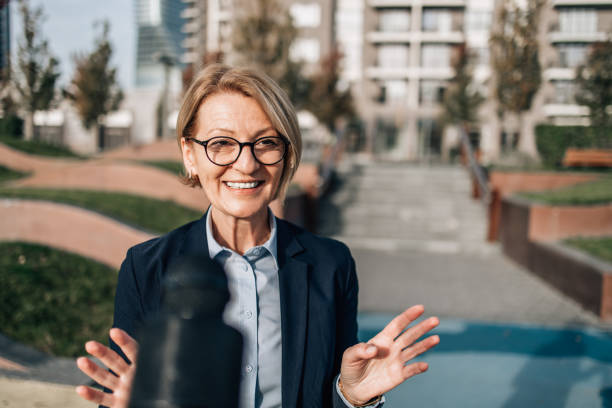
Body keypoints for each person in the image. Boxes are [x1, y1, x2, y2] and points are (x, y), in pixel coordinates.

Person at [75, 64, 440, 408]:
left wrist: (351, 396)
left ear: (287, 154)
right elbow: (122, 391)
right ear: (190, 155)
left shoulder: (332, 265)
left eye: (265, 143)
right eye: (221, 144)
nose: (247, 164)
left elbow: (331, 393)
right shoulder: (146, 268)